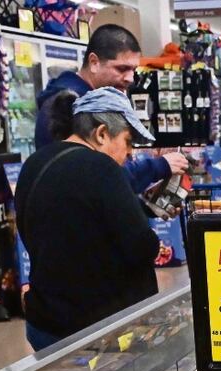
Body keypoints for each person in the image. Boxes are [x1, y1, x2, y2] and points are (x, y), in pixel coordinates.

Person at [15, 87, 162, 352]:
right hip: (100, 332)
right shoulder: (103, 168)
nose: (130, 153)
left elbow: (60, 226)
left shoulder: (34, 163)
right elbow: (142, 246)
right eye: (128, 141)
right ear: (102, 133)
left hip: (46, 325)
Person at [34, 24, 187, 190]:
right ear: (94, 62)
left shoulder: (94, 102)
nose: (130, 78)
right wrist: (159, 166)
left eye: (133, 70)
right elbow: (101, 175)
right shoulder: (73, 106)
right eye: (122, 68)